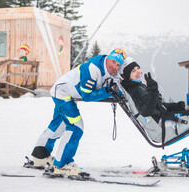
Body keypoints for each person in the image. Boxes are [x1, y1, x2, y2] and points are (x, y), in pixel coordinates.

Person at [31, 48, 127, 176]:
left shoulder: (108, 71)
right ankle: (62, 165)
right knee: (76, 127)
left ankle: (40, 156)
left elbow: (113, 85)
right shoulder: (93, 69)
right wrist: (108, 91)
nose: (115, 66)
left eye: (118, 65)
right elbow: (87, 96)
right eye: (114, 62)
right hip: (63, 93)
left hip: (68, 93)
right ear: (108, 58)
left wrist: (118, 92)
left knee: (59, 125)